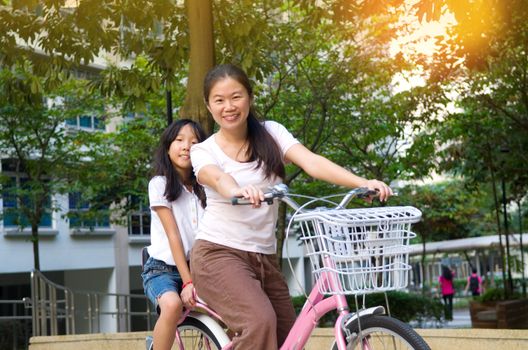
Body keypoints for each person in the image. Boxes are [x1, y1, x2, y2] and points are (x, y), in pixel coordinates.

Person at [189, 63, 393, 350]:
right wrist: (237, 189)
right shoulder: (203, 150)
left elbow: (311, 162)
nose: (229, 106)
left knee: (288, 338)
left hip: (264, 258)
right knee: (259, 323)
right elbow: (216, 177)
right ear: (209, 107)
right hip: (217, 255)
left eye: (236, 96)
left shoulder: (271, 133)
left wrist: (361, 182)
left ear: (250, 97)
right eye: (219, 100)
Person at [141, 119, 207, 350]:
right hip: (162, 270)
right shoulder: (159, 185)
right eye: (179, 140)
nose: (186, 146)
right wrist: (187, 281)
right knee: (171, 305)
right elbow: (173, 235)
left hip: (199, 267)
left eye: (194, 142)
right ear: (168, 147)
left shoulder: (206, 188)